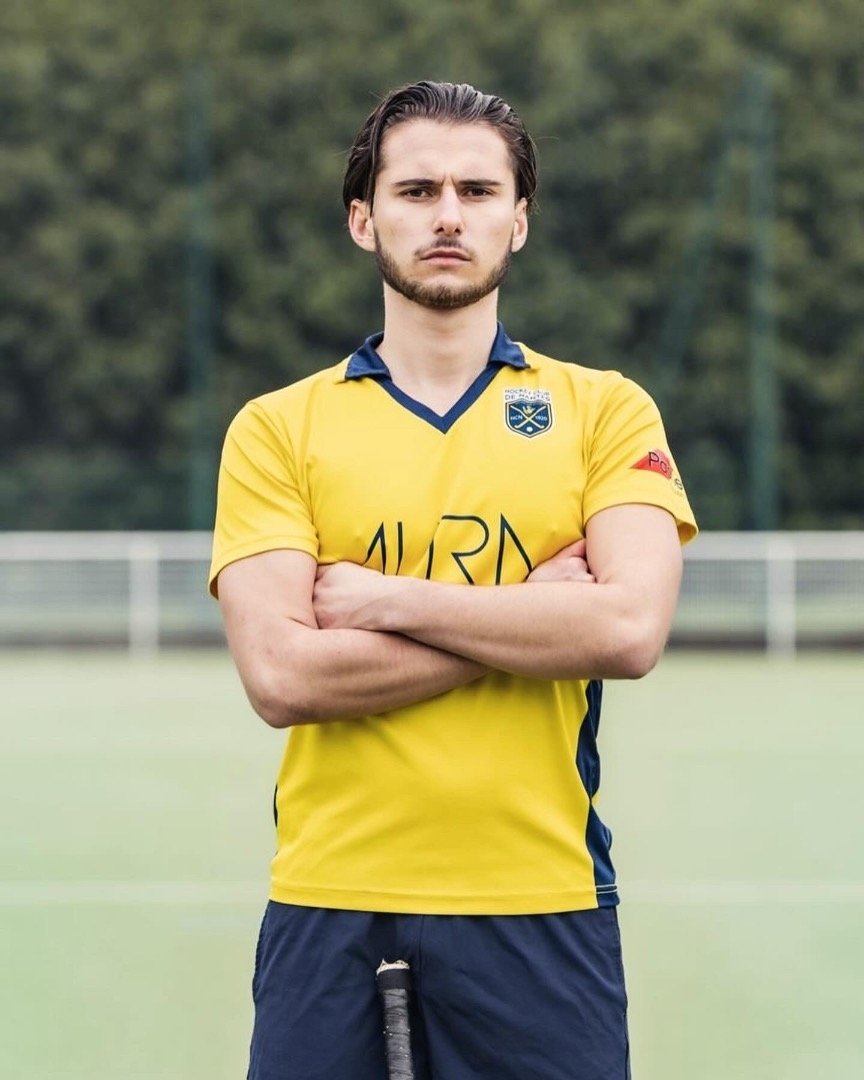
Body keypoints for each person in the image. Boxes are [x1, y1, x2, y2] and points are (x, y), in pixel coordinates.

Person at [209, 79, 697, 1080]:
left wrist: (391, 600)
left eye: (477, 191)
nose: (447, 216)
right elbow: (283, 677)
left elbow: (628, 630)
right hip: (331, 901)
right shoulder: (277, 428)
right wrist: (535, 616)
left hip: (541, 902)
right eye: (416, 189)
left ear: (518, 222)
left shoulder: (606, 411)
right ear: (363, 219)